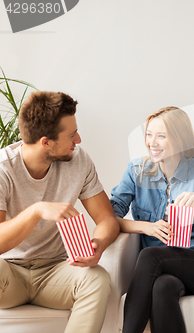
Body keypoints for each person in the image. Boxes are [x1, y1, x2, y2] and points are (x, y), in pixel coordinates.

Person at [0, 91, 120, 333]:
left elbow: (107, 218)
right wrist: (36, 211)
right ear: (46, 142)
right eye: (71, 135)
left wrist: (97, 245)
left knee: (97, 279)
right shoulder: (3, 169)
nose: (79, 139)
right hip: (9, 275)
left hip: (57, 270)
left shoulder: (79, 160)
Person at [111, 107, 194, 333]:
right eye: (149, 134)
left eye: (161, 136)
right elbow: (108, 217)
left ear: (180, 138)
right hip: (163, 270)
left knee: (150, 255)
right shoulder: (137, 171)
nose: (152, 143)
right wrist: (146, 227)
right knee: (162, 286)